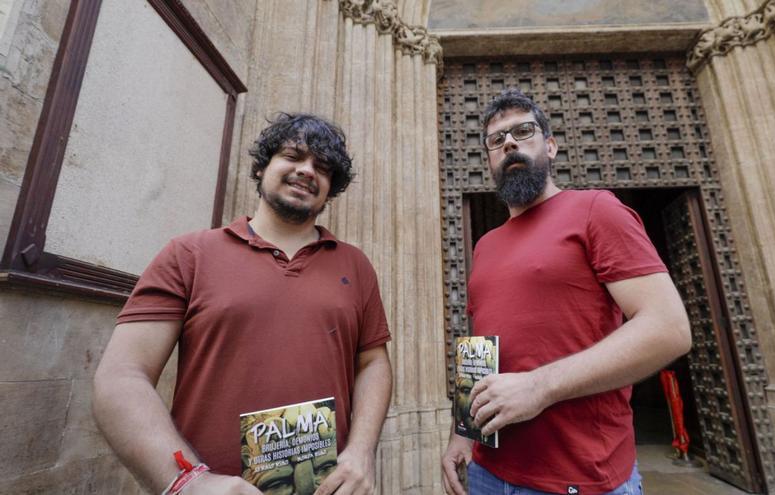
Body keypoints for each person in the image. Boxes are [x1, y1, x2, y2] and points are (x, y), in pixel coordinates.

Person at [93, 113, 392, 495]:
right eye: (292, 156)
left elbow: (373, 363)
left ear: (331, 188)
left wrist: (361, 452)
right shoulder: (190, 253)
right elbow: (122, 376)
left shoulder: (355, 265)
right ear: (262, 166)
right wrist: (188, 482)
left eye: (322, 166)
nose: (306, 171)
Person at [441, 89, 691, 495]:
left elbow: (669, 329)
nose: (509, 143)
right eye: (496, 139)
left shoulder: (596, 210)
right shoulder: (486, 245)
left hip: (580, 476)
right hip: (489, 472)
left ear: (551, 146)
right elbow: (483, 348)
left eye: (523, 131)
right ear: (489, 159)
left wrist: (540, 387)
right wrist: (462, 432)